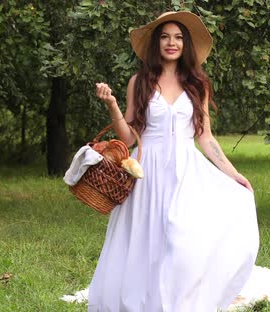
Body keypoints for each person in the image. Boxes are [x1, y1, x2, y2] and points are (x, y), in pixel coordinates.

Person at [88, 11, 259, 312]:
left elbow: (205, 136)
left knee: (183, 241)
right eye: (165, 36)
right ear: (157, 43)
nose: (172, 42)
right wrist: (112, 105)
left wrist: (233, 174)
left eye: (178, 37)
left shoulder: (197, 84)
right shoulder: (139, 82)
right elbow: (127, 138)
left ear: (186, 44)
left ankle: (179, 302)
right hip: (147, 170)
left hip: (185, 169)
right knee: (146, 240)